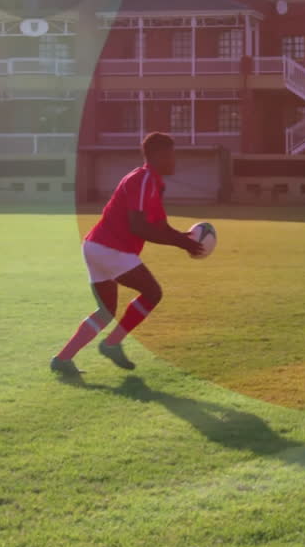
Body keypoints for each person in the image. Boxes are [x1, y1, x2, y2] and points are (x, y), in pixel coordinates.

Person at [50, 132, 204, 377]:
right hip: (111, 248)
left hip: (96, 247)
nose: (175, 160)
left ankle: (63, 358)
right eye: (171, 155)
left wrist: (184, 239)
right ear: (156, 155)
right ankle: (112, 344)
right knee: (152, 292)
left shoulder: (153, 183)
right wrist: (181, 244)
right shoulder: (143, 180)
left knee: (106, 311)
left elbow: (160, 227)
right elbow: (138, 226)